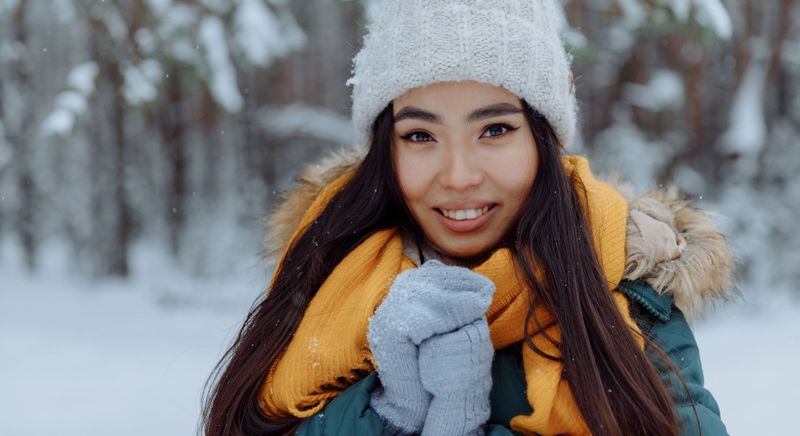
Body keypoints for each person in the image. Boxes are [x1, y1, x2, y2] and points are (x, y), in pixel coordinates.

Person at [203, 0, 733, 435]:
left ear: (542, 140)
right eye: (420, 135)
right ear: (387, 152)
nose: (458, 176)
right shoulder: (327, 274)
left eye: (495, 130)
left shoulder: (622, 284)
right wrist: (388, 415)